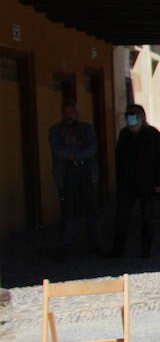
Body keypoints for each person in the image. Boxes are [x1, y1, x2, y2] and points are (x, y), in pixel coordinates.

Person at [108, 104, 160, 258]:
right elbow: (119, 160)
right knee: (121, 217)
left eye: (133, 114)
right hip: (128, 183)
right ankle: (118, 249)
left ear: (141, 116)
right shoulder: (124, 134)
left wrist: (159, 182)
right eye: (128, 115)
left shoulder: (154, 135)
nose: (130, 118)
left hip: (148, 183)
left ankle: (146, 249)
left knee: (147, 217)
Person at [49, 100, 99, 252]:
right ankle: (65, 247)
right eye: (66, 113)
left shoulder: (86, 129)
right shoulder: (55, 130)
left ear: (77, 114)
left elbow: (93, 148)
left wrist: (75, 156)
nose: (69, 116)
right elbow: (58, 150)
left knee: (90, 209)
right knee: (67, 211)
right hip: (66, 173)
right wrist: (76, 155)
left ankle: (94, 244)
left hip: (85, 171)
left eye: (72, 113)